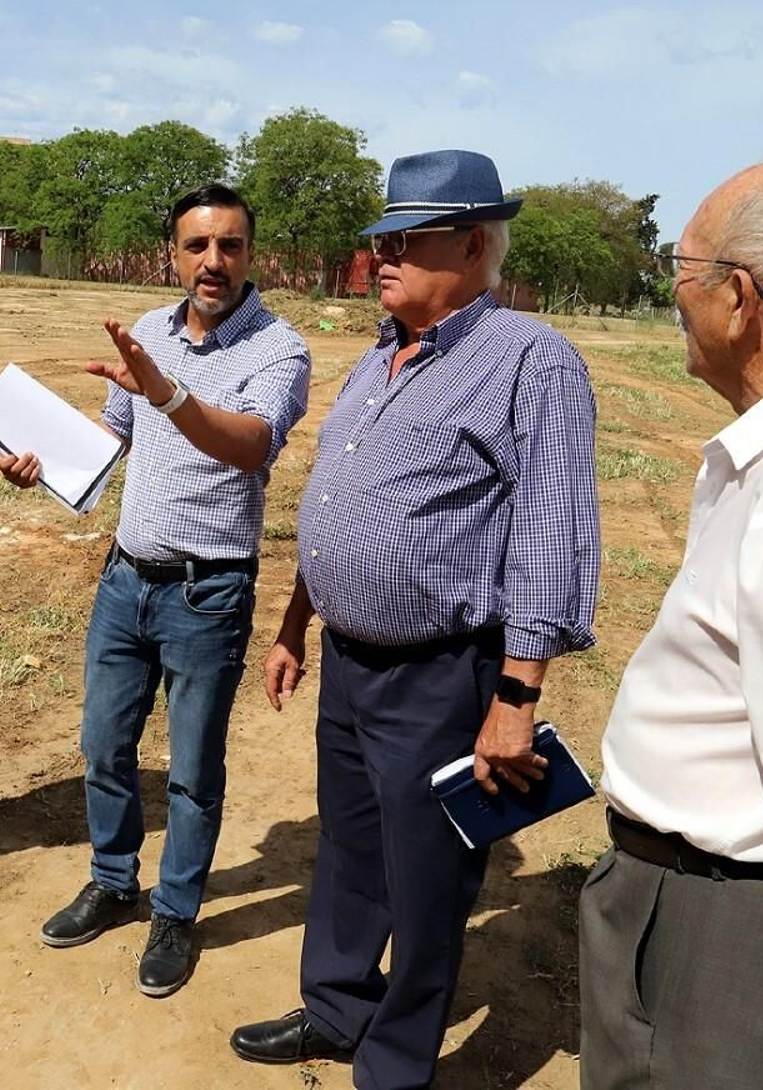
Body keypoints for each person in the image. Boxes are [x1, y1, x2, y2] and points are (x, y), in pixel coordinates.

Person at [230, 150, 600, 1088]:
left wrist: (517, 696)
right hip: (351, 661)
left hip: (444, 673)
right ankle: (337, 1009)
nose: (380, 258)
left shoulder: (529, 360)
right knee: (351, 849)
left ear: (473, 246)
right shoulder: (378, 358)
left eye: (406, 241)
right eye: (379, 241)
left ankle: (394, 1063)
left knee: (428, 878)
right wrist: (295, 621)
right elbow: (339, 505)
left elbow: (552, 534)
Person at [0, 183, 311, 997]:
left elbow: (248, 447)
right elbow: (117, 436)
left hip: (208, 592)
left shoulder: (279, 350)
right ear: (173, 254)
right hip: (126, 577)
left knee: (192, 769)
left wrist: (167, 392)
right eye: (197, 246)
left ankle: (175, 910)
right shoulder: (145, 333)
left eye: (230, 246)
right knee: (104, 745)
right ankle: (111, 880)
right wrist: (44, 464)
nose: (214, 262)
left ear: (251, 254)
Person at [580, 156, 763, 1089]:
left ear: (740, 298)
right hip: (709, 906)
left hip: (743, 935)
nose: (674, 297)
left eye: (681, 273)